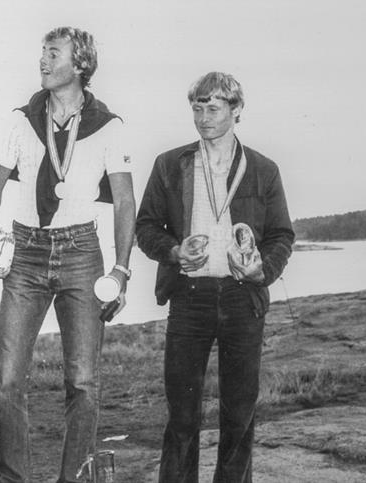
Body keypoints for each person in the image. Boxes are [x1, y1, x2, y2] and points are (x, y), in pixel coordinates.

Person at [0, 26, 136, 482]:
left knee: (82, 382)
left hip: (82, 253)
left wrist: (121, 270)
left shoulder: (109, 126)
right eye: (41, 51)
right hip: (24, 254)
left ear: (79, 65)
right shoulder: (21, 120)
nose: (42, 60)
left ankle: (76, 477)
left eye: (53, 53)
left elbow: (124, 201)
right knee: (7, 380)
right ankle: (11, 478)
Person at [135, 72, 294, 482]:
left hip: (244, 299)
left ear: (237, 111)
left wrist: (263, 269)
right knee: (183, 416)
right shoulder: (170, 164)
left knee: (239, 415)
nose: (203, 118)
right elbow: (146, 227)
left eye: (213, 108)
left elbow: (281, 236)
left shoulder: (263, 169)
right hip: (189, 298)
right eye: (197, 108)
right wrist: (173, 251)